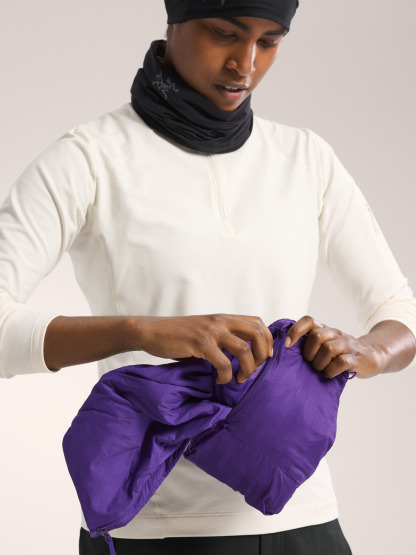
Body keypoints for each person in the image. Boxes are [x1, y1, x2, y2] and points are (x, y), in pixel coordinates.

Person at [0, 1, 415, 554]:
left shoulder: (306, 159)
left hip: (304, 522)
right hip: (154, 530)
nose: (246, 63)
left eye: (269, 41)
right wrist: (142, 330)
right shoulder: (90, 159)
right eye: (224, 33)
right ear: (175, 19)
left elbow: (399, 311)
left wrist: (369, 351)